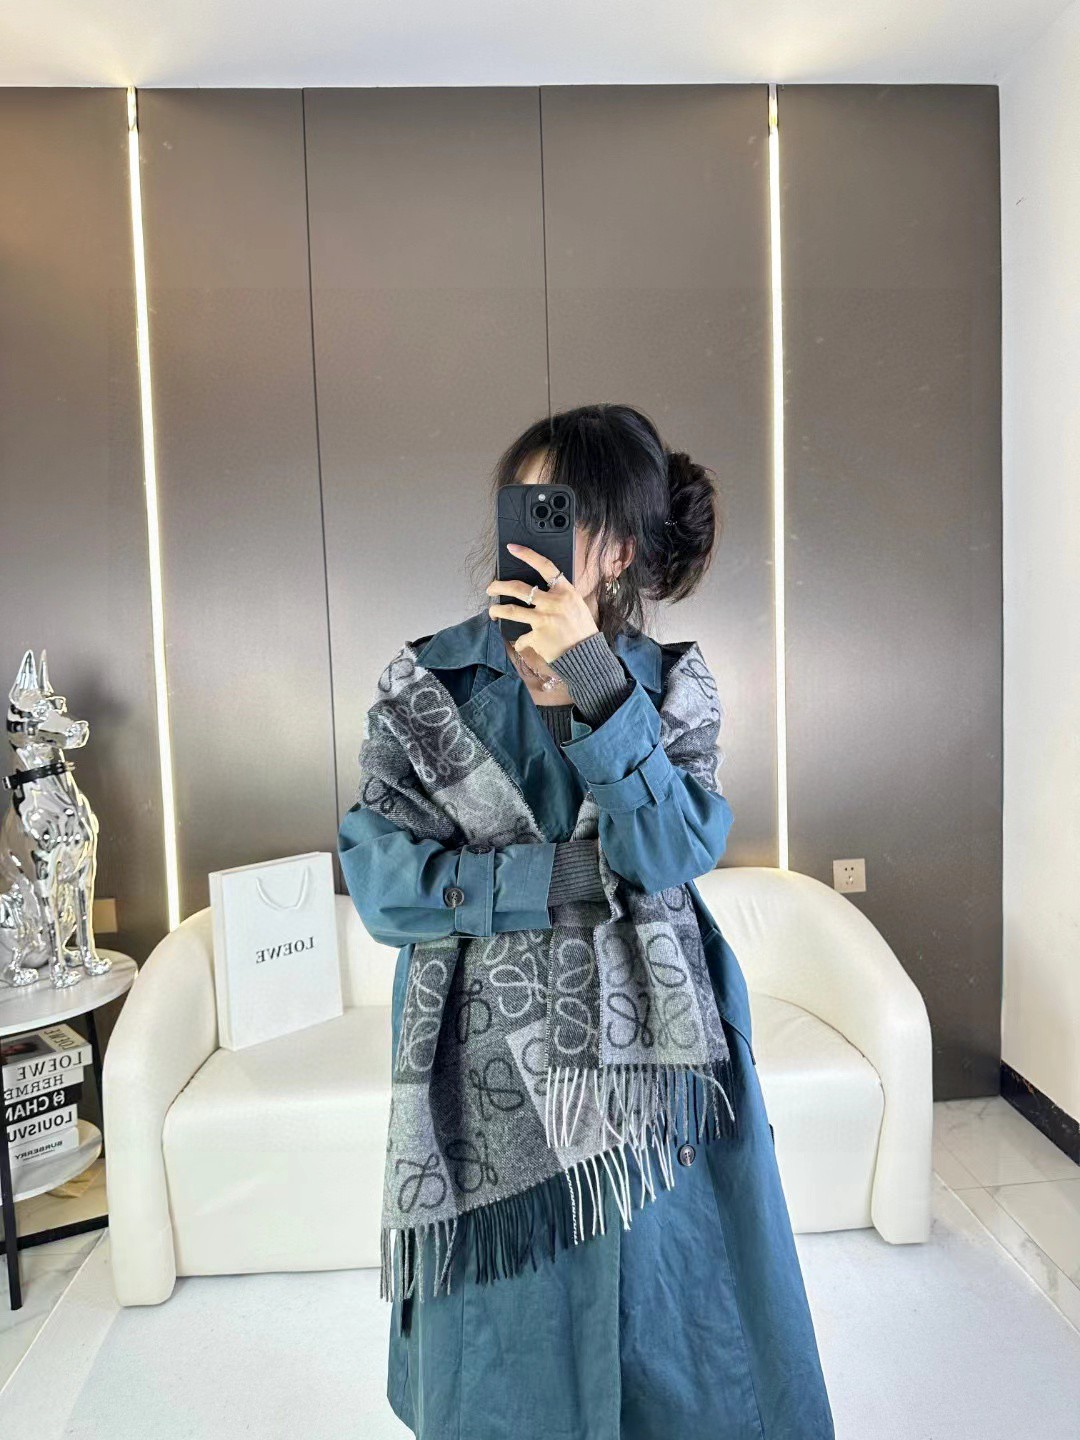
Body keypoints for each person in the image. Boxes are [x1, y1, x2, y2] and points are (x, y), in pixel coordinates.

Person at [338, 403, 835, 1440]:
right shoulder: (429, 685)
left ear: (621, 550)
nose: (543, 534)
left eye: (570, 513)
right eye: (527, 505)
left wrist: (596, 685)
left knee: (671, 1323)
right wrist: (555, 878)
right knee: (505, 1354)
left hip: (657, 1062)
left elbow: (672, 850)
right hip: (486, 1065)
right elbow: (382, 884)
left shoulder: (669, 685)